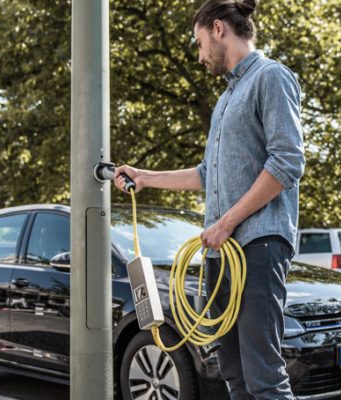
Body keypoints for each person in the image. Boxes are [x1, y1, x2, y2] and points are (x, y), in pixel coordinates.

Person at [114, 0, 304, 398]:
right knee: (232, 373)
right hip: (221, 254)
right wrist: (145, 177)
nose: (200, 56)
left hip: (258, 245)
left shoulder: (271, 77)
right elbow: (207, 174)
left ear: (218, 29)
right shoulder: (224, 101)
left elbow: (287, 163)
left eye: (199, 43)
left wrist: (226, 221)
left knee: (264, 376)